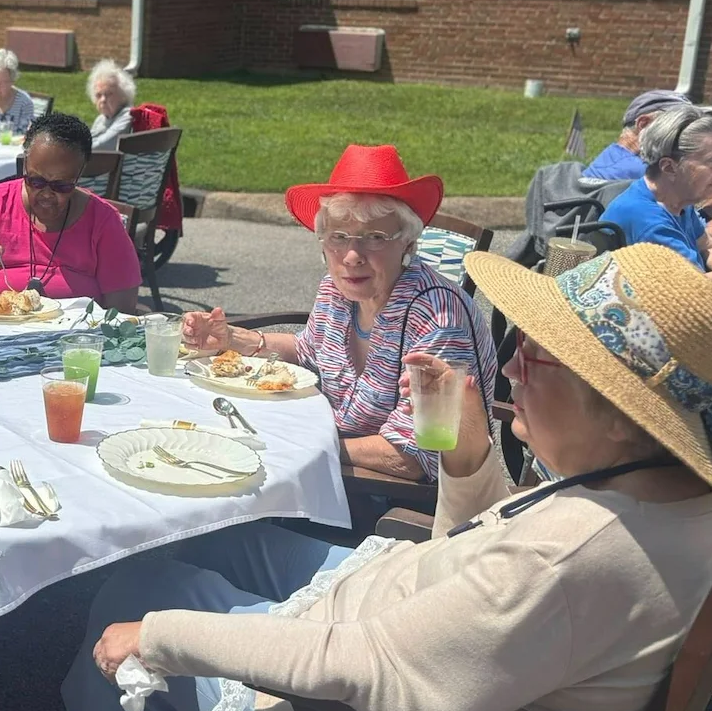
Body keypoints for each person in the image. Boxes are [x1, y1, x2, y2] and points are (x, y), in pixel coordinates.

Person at [0, 242, 712, 711]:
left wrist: (159, 638)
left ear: (619, 412)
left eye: (533, 354)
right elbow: (487, 567)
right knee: (219, 548)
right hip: (422, 633)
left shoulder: (579, 550)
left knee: (135, 598)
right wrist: (470, 459)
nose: (509, 365)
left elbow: (382, 672)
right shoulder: (657, 495)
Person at [182, 145, 496, 481]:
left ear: (407, 243)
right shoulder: (336, 290)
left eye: (375, 237)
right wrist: (234, 339)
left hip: (393, 497)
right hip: (333, 462)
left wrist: (301, 446)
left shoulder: (438, 318)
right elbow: (308, 353)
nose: (351, 255)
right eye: (339, 236)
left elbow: (417, 456)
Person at [0, 112, 142, 312]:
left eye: (61, 185)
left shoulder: (103, 219)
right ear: (25, 165)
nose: (46, 194)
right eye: (35, 181)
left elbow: (122, 310)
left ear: (79, 175)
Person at [601, 105, 712, 294]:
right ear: (669, 167)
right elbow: (691, 286)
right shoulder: (649, 221)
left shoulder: (676, 200)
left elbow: (708, 245)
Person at [579, 89, 685, 181]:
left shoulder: (611, 155)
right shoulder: (645, 174)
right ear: (644, 124)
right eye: (680, 127)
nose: (689, 134)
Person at [86, 59, 136, 152]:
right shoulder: (100, 119)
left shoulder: (128, 116)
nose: (103, 100)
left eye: (109, 94)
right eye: (98, 95)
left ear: (123, 95)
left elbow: (102, 145)